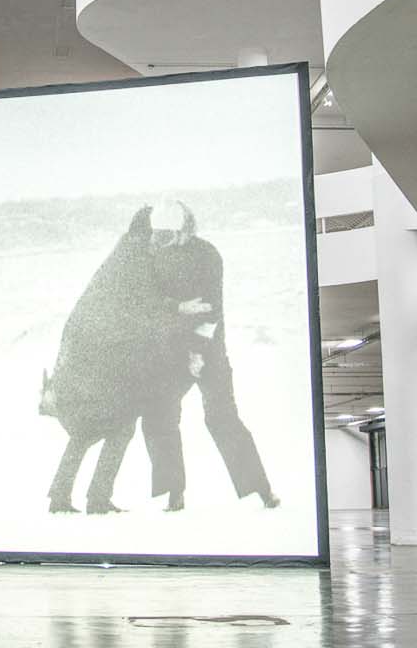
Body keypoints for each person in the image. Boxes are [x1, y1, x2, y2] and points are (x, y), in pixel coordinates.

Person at [138, 201, 279, 512]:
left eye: (170, 234)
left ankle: (261, 489)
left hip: (210, 350)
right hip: (171, 352)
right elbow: (149, 303)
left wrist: (198, 353)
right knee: (159, 416)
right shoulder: (154, 257)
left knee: (222, 418)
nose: (165, 240)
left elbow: (212, 309)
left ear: (185, 227)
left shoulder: (208, 255)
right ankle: (173, 493)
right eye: (160, 235)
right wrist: (176, 308)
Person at [42, 206, 170, 514]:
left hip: (83, 357)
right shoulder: (138, 259)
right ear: (150, 233)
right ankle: (97, 498)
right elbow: (143, 309)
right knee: (121, 427)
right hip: (105, 360)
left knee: (86, 429)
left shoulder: (119, 255)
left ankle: (60, 496)